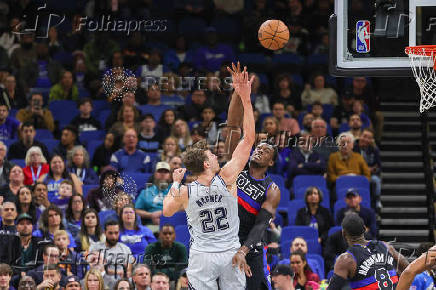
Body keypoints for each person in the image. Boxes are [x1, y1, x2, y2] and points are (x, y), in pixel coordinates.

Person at [163, 68, 255, 289]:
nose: (216, 156)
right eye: (212, 155)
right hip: (230, 253)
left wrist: (175, 182)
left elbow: (166, 211)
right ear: (206, 164)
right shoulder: (227, 178)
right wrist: (246, 99)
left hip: (202, 257)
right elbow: (249, 139)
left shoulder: (186, 191)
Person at [224, 62, 281, 290]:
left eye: (265, 150)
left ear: (271, 162)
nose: (258, 149)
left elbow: (260, 226)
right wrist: (239, 93)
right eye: (258, 146)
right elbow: (232, 127)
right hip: (224, 242)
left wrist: (244, 250)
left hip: (251, 247)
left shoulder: (272, 189)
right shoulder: (236, 167)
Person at [327, 213, 408, 290]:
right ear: (365, 229)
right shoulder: (386, 246)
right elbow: (408, 268)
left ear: (343, 233)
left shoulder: (346, 259)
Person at [88, 220, 132, 289]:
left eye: (116, 233)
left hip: (120, 284)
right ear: (104, 233)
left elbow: (128, 271)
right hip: (101, 282)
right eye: (110, 233)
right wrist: (114, 272)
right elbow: (93, 270)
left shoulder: (125, 249)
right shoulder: (95, 247)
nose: (113, 237)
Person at [353, 128, 382, 209]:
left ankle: (377, 201)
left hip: (370, 175)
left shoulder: (374, 149)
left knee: (376, 180)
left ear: (372, 140)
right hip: (356, 174)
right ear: (360, 136)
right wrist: (367, 169)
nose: (366, 139)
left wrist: (373, 170)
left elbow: (379, 166)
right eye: (364, 136)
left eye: (369, 138)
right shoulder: (353, 147)